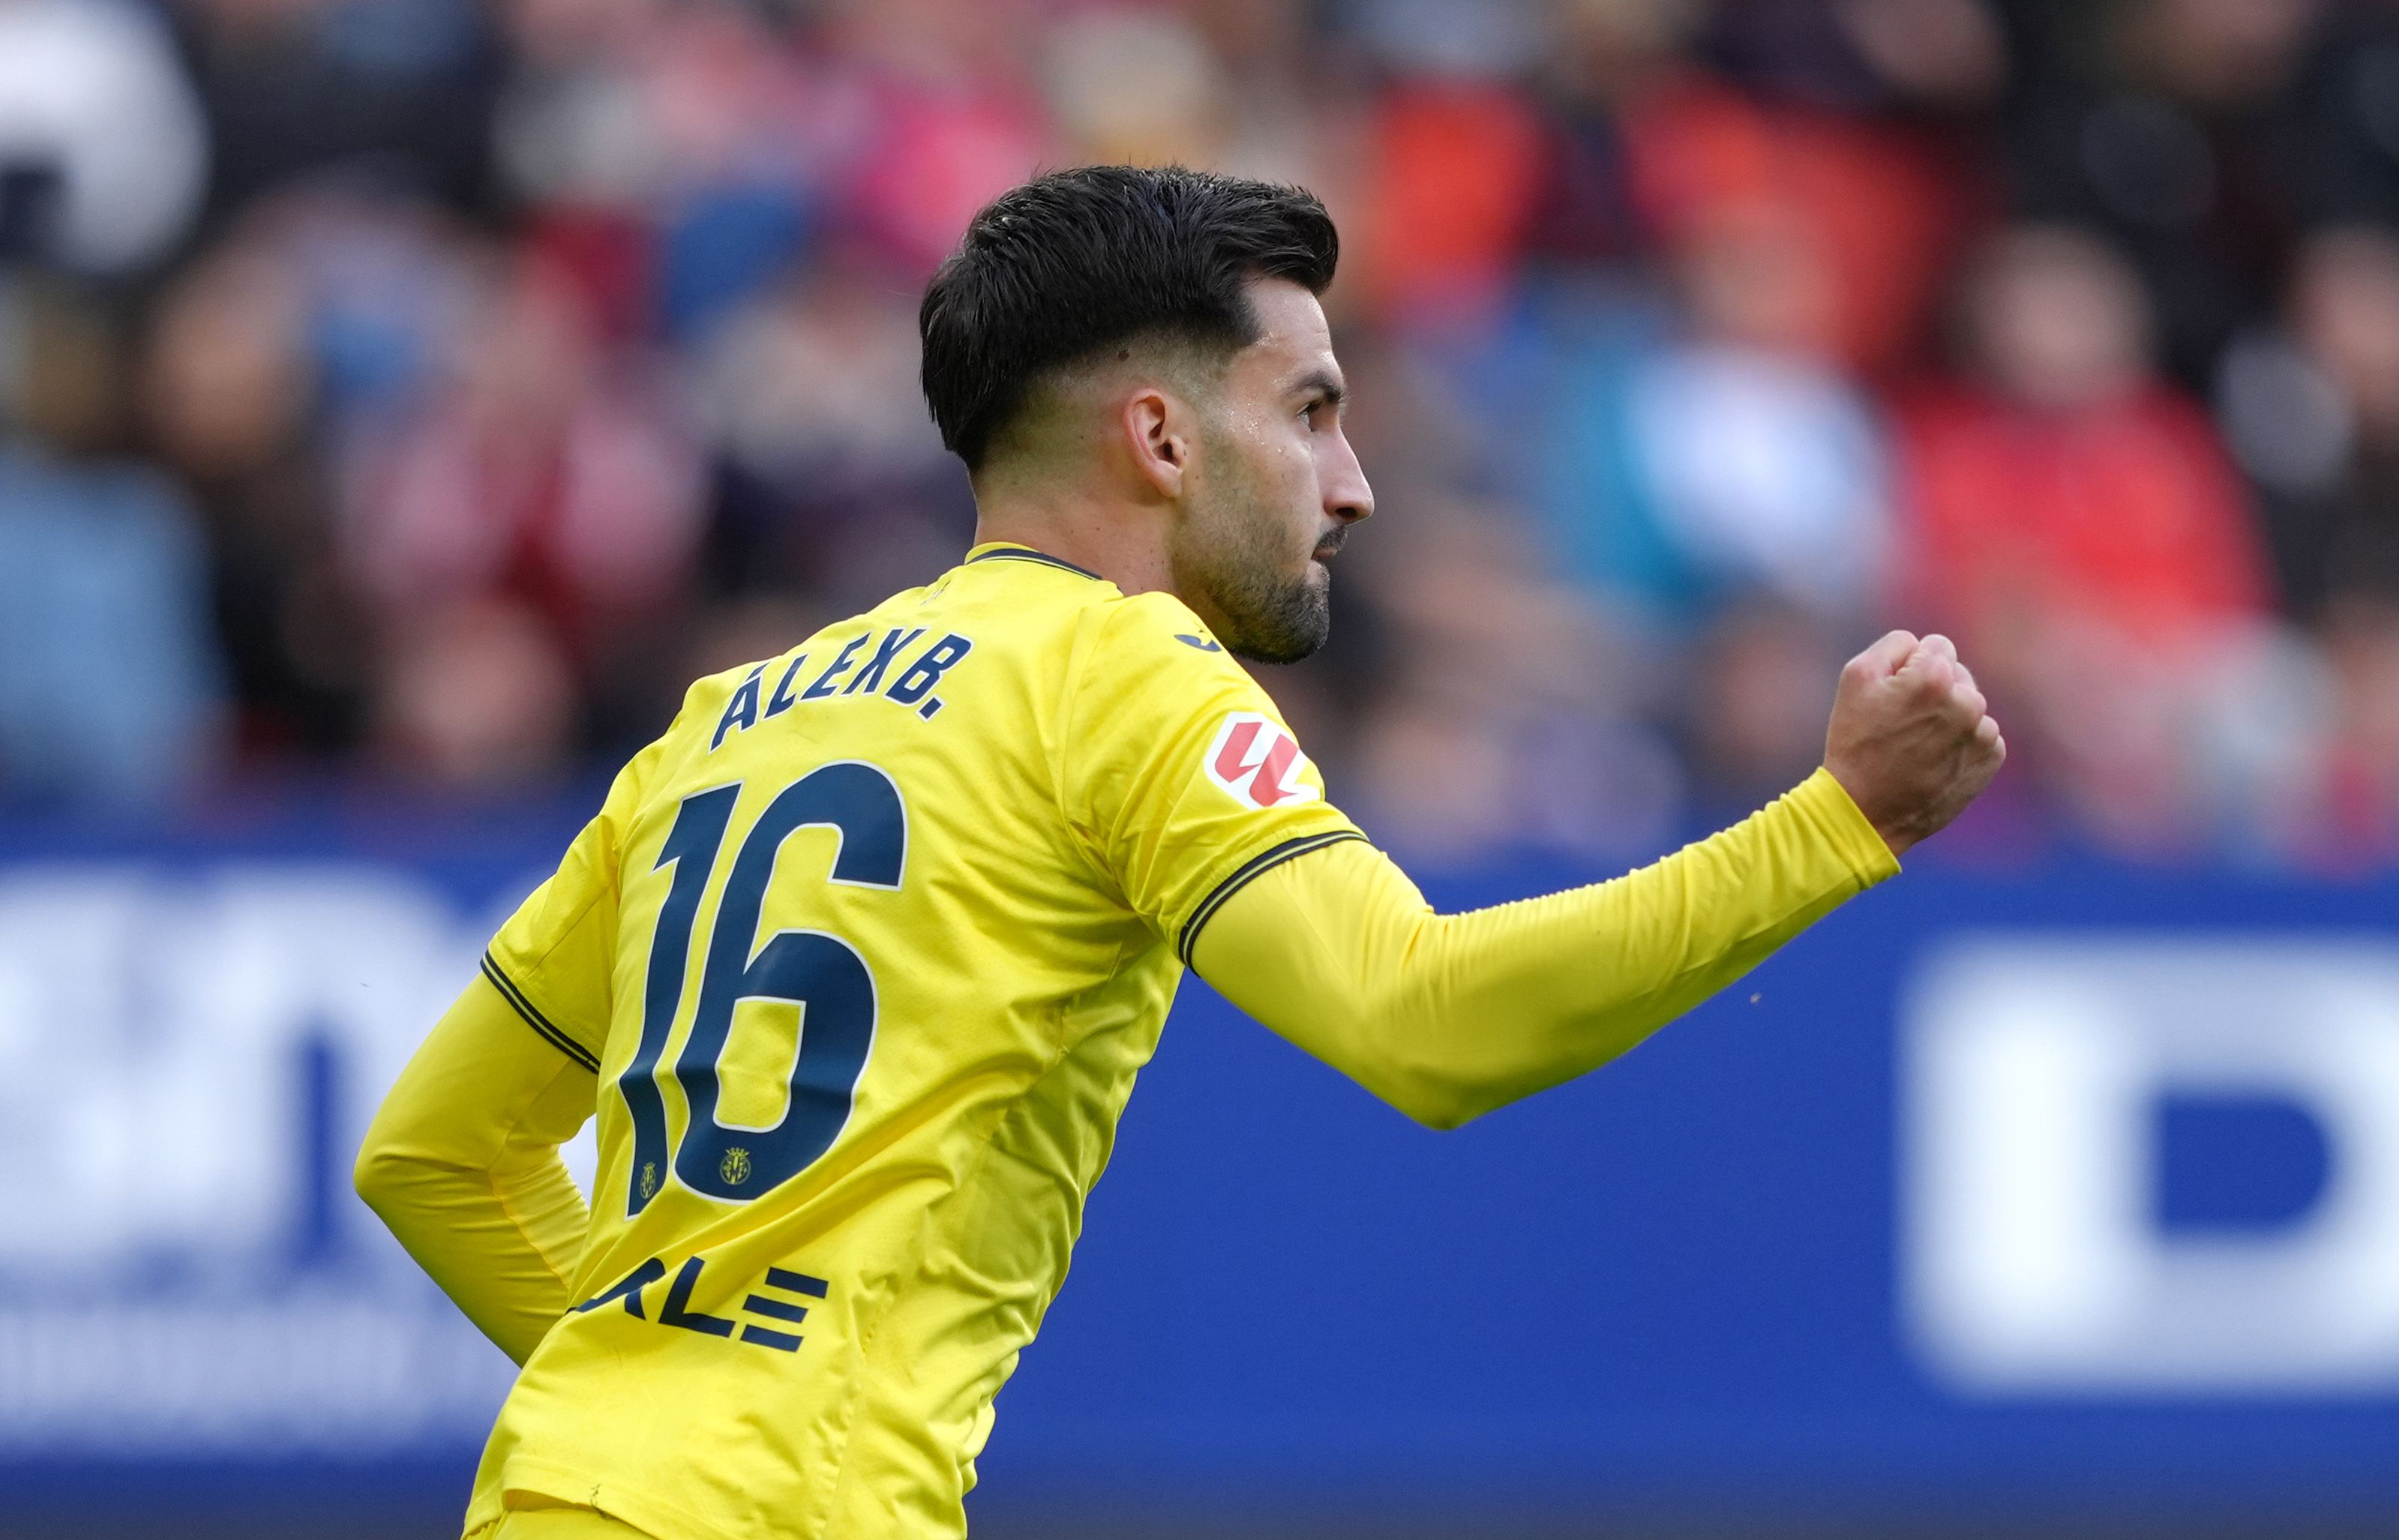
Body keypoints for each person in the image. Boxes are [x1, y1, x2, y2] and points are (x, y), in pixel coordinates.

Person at [355, 166, 2003, 1540]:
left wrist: (649, 1400)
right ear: (1158, 439)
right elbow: (1424, 1020)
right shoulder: (1119, 669)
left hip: (565, 1493)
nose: (1352, 487)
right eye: (1309, 413)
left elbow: (433, 1154)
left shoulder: (735, 714)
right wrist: (1836, 823)